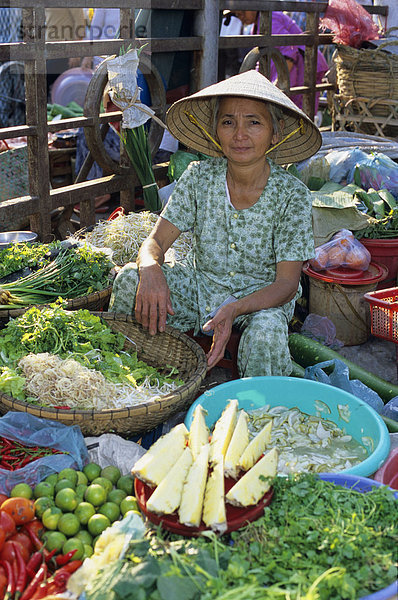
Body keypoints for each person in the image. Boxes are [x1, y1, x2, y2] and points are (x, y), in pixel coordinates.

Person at [109, 70, 321, 377]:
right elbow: (154, 243)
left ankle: (255, 411)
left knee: (264, 334)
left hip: (264, 299)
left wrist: (235, 308)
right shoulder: (199, 177)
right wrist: (150, 268)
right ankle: (129, 380)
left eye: (254, 122)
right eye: (228, 122)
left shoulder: (291, 195)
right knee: (129, 280)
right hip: (203, 289)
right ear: (216, 130)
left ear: (275, 134)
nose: (239, 134)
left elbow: (287, 285)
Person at [232, 10, 329, 112]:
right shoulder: (259, 25)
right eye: (237, 14)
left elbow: (289, 51)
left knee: (296, 115)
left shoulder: (270, 20)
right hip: (297, 70)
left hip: (302, 69)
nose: (240, 16)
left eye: (243, 11)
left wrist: (279, 85)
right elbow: (263, 58)